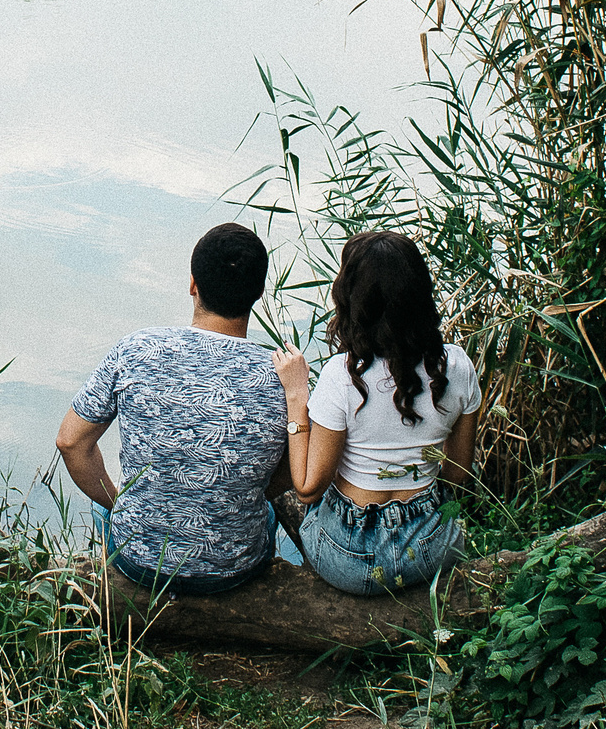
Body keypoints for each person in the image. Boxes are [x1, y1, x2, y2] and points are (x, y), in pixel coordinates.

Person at [56, 222, 290, 595]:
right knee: (270, 512)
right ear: (259, 292)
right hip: (233, 571)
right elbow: (292, 472)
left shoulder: (136, 349)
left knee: (107, 510)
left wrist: (118, 502)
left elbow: (71, 443)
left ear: (193, 284)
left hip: (140, 564)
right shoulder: (283, 377)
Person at [273, 230, 477, 596]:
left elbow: (306, 488)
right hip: (430, 547)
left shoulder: (342, 376)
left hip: (349, 556)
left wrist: (296, 394)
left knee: (288, 488)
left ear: (354, 301)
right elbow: (458, 473)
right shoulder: (457, 367)